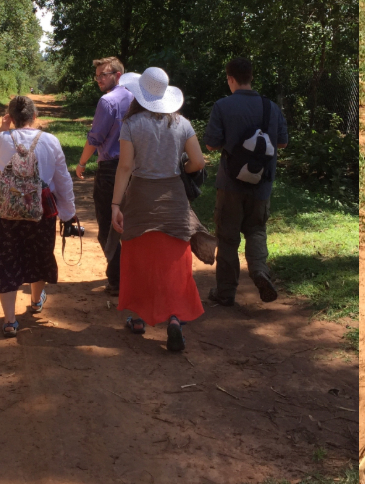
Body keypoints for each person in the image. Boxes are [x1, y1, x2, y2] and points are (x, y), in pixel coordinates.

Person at [110, 67, 213, 353]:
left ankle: (140, 319)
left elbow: (126, 167)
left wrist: (116, 204)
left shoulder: (131, 125)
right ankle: (175, 320)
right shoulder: (182, 124)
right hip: (174, 200)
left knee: (141, 258)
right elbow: (199, 162)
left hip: (142, 198)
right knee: (174, 261)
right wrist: (183, 168)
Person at [0, 95, 78, 338]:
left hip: (5, 208)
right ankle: (36, 301)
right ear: (35, 117)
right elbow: (63, 179)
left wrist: (2, 131)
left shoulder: (4, 139)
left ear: (11, 118)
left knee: (6, 258)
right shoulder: (51, 141)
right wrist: (68, 213)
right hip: (41, 208)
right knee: (39, 254)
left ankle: (9, 321)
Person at [203, 57, 289, 307]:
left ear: (230, 78)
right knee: (257, 229)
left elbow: (211, 143)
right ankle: (260, 270)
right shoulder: (271, 107)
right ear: (251, 77)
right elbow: (282, 142)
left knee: (228, 237)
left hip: (230, 183)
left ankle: (226, 292)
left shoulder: (222, 106)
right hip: (262, 183)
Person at [75, 56, 133, 295]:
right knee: (130, 226)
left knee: (107, 229)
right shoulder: (137, 98)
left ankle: (118, 280)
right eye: (97, 75)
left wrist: (81, 163)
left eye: (104, 75)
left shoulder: (107, 102)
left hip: (110, 169)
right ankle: (132, 276)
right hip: (136, 169)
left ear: (118, 75)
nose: (99, 79)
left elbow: (95, 137)